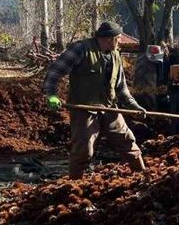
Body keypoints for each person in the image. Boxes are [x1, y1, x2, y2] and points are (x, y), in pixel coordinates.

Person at [43, 21, 147, 178]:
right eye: (118, 38)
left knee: (128, 142)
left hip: (110, 108)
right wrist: (51, 94)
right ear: (108, 38)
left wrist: (134, 106)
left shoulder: (115, 55)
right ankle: (74, 185)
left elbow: (121, 88)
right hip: (84, 109)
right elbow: (54, 72)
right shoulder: (80, 49)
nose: (120, 42)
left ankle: (144, 176)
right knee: (84, 150)